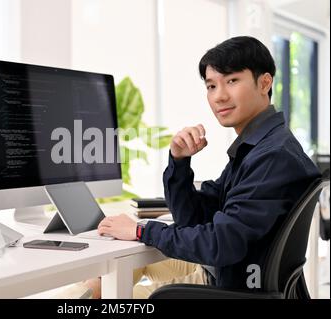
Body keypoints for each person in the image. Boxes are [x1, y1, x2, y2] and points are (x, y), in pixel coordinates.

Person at [61, 36, 321, 299]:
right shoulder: (258, 146)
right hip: (230, 273)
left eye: (231, 81)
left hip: (232, 287)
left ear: (264, 83)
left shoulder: (272, 157)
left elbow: (220, 243)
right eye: (211, 86)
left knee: (117, 290)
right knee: (108, 279)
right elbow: (193, 218)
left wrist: (141, 229)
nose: (219, 96)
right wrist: (179, 162)